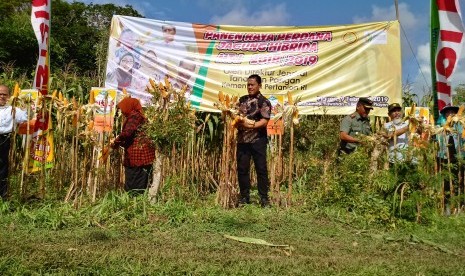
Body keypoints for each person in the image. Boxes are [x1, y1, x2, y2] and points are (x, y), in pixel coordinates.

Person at [235, 74, 272, 207]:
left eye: (252, 85)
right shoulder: (242, 100)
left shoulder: (264, 102)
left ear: (259, 86)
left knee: (261, 169)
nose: (250, 87)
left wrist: (250, 125)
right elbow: (236, 115)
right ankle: (244, 197)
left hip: (258, 140)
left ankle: (264, 198)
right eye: (248, 85)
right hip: (242, 140)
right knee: (242, 169)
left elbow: (264, 121)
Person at [111, 97, 155, 194]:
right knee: (139, 184)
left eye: (123, 108)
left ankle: (133, 205)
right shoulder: (137, 116)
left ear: (128, 106)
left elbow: (127, 133)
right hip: (141, 157)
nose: (122, 111)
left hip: (138, 157)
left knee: (135, 185)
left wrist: (116, 141)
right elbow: (131, 136)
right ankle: (136, 205)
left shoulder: (135, 116)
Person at [0, 84, 27, 199]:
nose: (1, 96)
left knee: (2, 168)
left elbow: (27, 117)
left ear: (9, 96)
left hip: (4, 140)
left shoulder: (14, 110)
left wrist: (28, 106)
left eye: (4, 94)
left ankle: (2, 196)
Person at [436, 105, 464, 215]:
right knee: (447, 182)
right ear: (444, 115)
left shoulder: (460, 126)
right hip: (445, 158)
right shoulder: (440, 126)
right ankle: (446, 208)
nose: (451, 114)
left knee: (459, 182)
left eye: (453, 112)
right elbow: (434, 137)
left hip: (460, 158)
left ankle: (460, 206)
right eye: (448, 112)